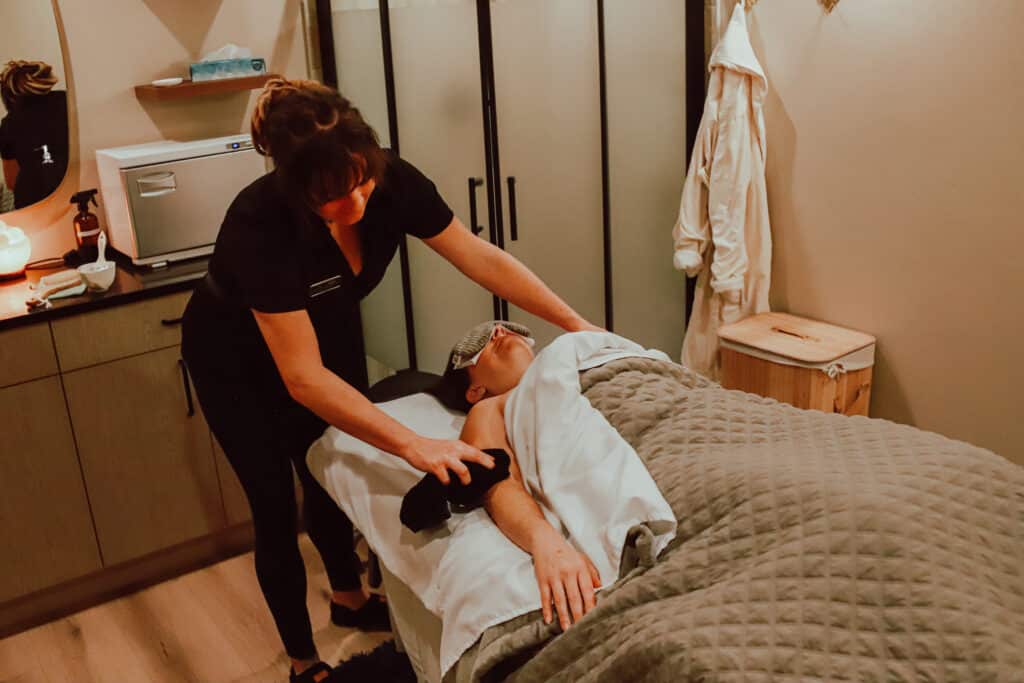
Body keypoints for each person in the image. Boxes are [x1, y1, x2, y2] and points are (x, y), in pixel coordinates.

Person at [180, 78, 601, 683]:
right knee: (275, 503)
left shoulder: (388, 179)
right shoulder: (259, 223)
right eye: (332, 198)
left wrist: (576, 324)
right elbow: (302, 379)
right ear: (296, 190)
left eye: (362, 180)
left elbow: (478, 255)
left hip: (325, 328)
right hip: (236, 359)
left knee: (330, 467)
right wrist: (415, 444)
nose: (356, 203)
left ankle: (349, 600)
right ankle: (303, 662)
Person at [438, 322, 602, 633]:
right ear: (474, 390)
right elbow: (497, 481)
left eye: (507, 328)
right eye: (479, 343)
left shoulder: (580, 362)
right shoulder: (489, 408)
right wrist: (546, 541)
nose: (498, 331)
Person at [0, 60, 69, 209]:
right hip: (76, 191)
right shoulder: (68, 102)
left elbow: (11, 181)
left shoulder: (9, 124)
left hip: (33, 203)